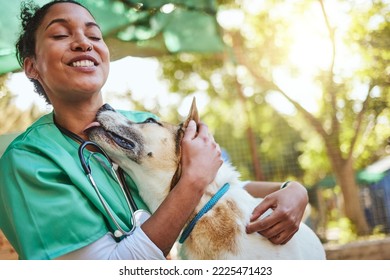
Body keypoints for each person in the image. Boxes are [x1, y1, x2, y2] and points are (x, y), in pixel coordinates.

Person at [0, 0, 308, 260]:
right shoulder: (29, 162)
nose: (84, 43)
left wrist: (291, 190)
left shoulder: (142, 124)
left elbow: (215, 191)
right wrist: (192, 180)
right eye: (60, 34)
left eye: (94, 35)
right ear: (31, 66)